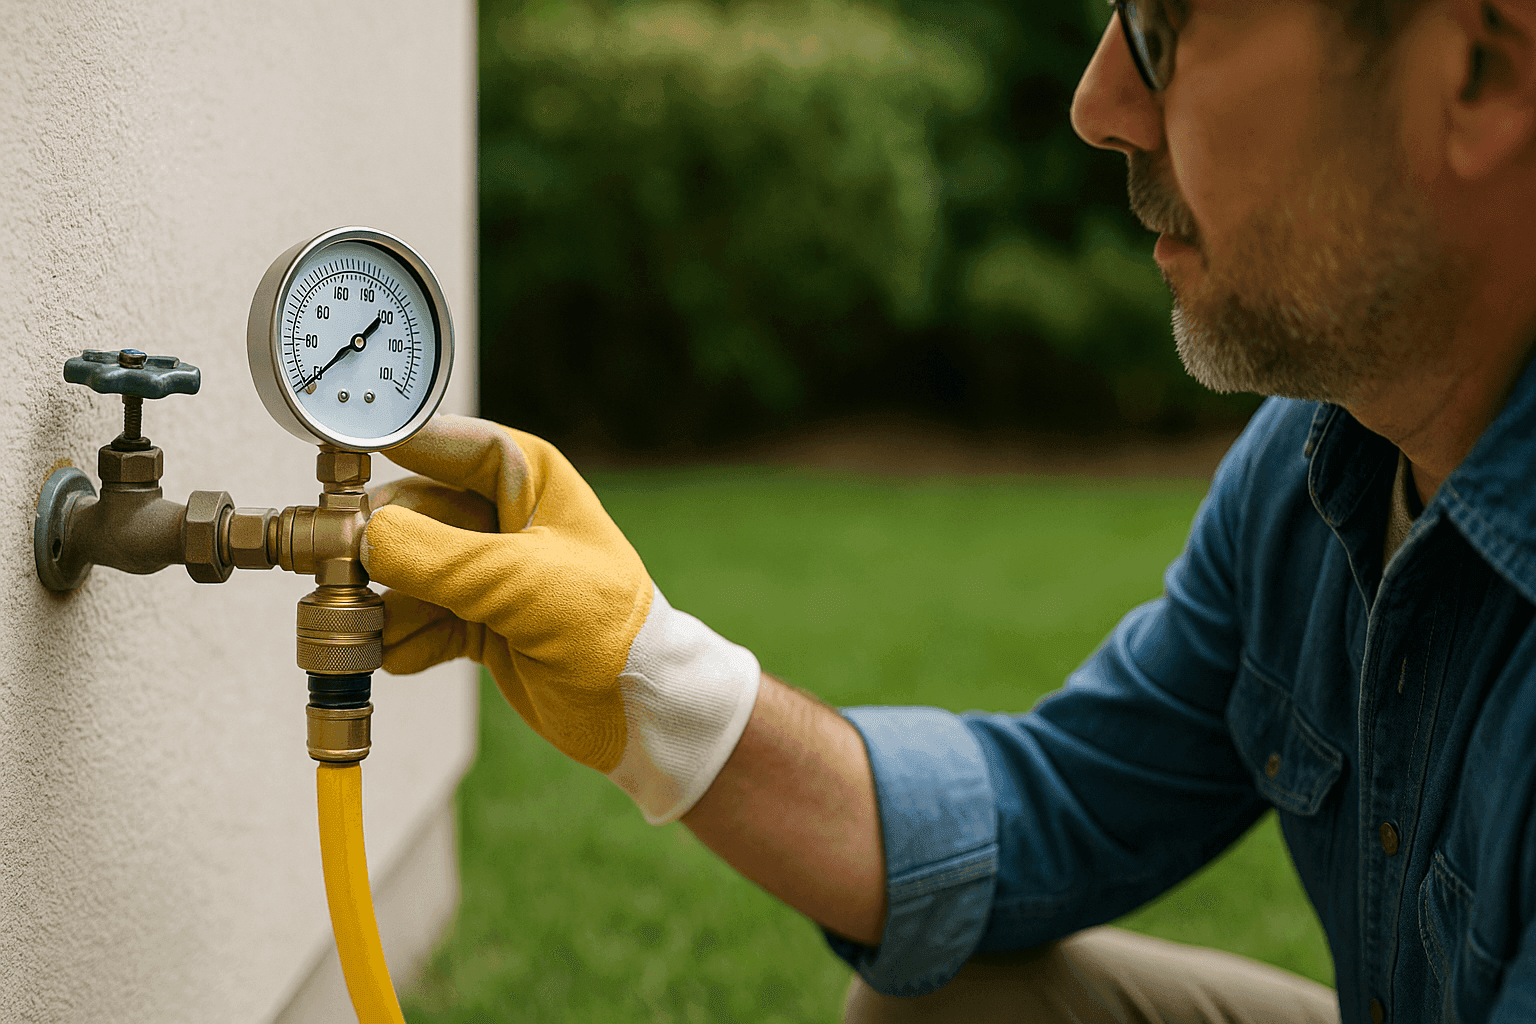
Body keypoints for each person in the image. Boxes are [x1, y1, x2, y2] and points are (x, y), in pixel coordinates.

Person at [359, 0, 1536, 1019]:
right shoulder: (1316, 467)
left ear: (1481, 71)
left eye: (1164, 27)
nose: (1099, 104)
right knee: (964, 1006)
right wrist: (646, 669)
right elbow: (1049, 809)